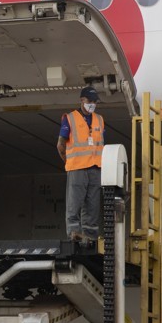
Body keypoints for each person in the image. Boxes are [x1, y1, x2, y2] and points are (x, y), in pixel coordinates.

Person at [57, 86, 105, 243]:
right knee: (75, 203)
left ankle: (90, 237)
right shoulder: (70, 118)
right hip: (77, 167)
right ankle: (74, 234)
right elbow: (60, 144)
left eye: (95, 102)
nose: (92, 104)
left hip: (96, 168)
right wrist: (68, 162)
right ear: (82, 100)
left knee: (92, 205)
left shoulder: (99, 119)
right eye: (90, 101)